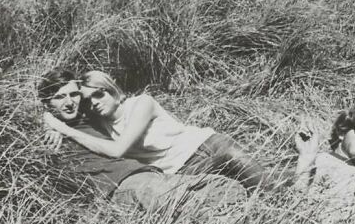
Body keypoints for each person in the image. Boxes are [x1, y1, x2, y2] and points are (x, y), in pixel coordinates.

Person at [39, 68, 246, 211]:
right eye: (59, 97)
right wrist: (48, 123)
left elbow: (115, 143)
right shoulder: (45, 135)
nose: (69, 102)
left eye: (74, 95)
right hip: (118, 185)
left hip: (149, 172)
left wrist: (59, 126)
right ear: (47, 103)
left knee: (225, 188)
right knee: (184, 204)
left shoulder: (89, 114)